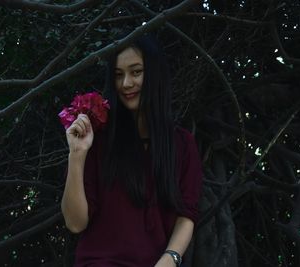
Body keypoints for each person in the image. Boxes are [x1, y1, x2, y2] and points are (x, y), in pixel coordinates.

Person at [61, 33, 203, 267]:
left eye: (136, 72)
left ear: (154, 74)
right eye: (118, 75)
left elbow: (187, 214)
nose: (126, 83)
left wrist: (171, 258)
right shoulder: (98, 140)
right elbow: (75, 223)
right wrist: (76, 155)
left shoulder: (182, 145)